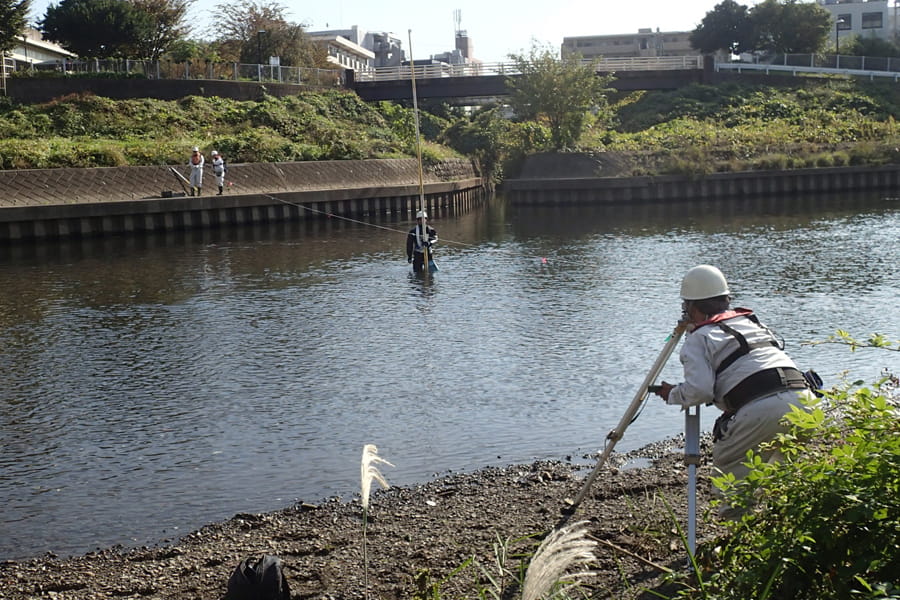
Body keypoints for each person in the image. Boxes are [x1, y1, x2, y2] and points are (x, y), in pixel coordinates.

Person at [653, 264, 813, 518]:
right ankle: (783, 530)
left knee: (730, 470)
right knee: (785, 474)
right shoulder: (750, 322)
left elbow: (700, 391)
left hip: (761, 407)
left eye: (686, 306)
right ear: (726, 300)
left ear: (692, 307)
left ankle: (737, 532)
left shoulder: (700, 337)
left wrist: (673, 394)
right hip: (805, 400)